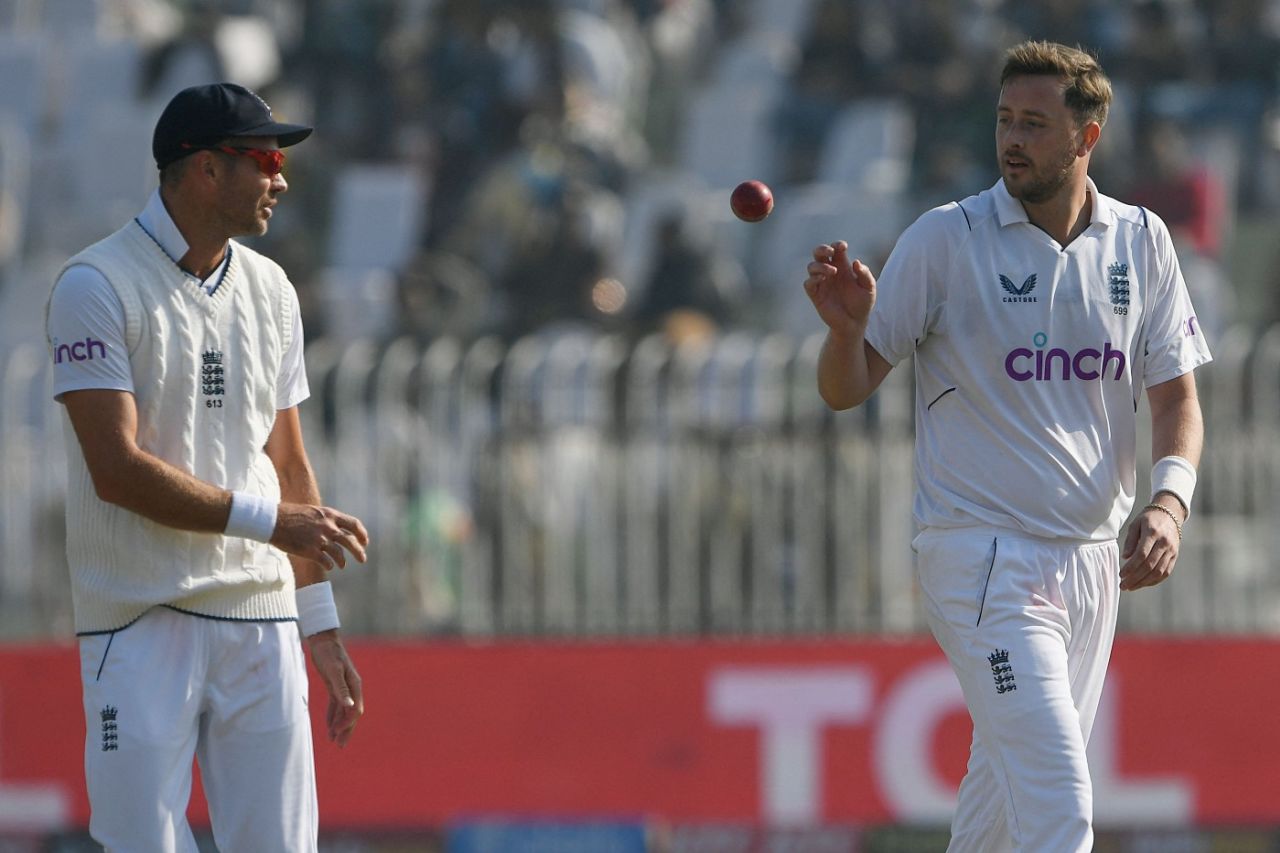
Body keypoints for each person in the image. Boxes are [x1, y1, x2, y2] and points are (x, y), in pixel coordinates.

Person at [803, 41, 1209, 852]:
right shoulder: (945, 240)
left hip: (1092, 562)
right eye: (1003, 120)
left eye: (1033, 123)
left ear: (1086, 137)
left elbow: (1177, 399)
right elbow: (844, 387)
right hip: (983, 559)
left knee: (996, 811)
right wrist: (846, 334)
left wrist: (1168, 499)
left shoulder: (1142, 243)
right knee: (1059, 798)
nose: (1012, 139)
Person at [45, 82, 370, 851]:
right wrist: (272, 523)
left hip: (260, 619)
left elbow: (287, 463)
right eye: (264, 158)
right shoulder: (94, 285)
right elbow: (117, 470)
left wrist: (319, 626)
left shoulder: (273, 290)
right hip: (139, 613)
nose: (281, 178)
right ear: (204, 170)